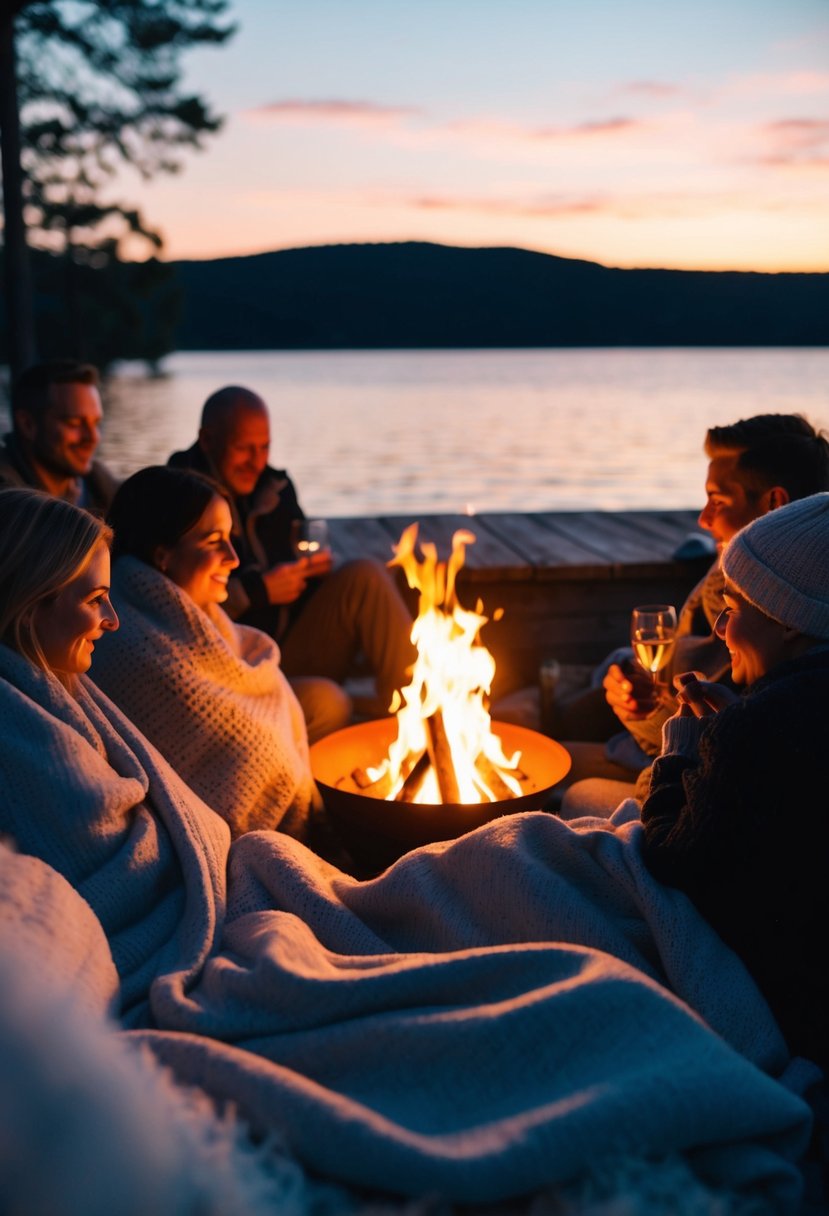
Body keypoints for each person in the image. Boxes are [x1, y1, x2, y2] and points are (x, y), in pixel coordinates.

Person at [0, 486, 809, 1209]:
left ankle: (542, 891)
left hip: (247, 884)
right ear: (31, 606)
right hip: (212, 926)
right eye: (95, 601)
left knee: (516, 853)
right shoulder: (23, 727)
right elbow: (114, 885)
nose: (112, 620)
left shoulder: (57, 687)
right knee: (548, 925)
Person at [640, 492, 829, 1073]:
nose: (720, 626)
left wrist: (683, 752)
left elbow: (670, 861)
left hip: (793, 1006)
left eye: (734, 606)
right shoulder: (781, 711)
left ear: (791, 622)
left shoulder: (759, 728)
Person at [555, 413, 829, 809]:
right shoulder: (750, 571)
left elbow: (712, 753)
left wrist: (642, 711)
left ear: (774, 503)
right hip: (654, 728)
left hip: (663, 767)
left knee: (547, 769)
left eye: (718, 501)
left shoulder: (759, 601)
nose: (702, 519)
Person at [91, 466, 328, 844]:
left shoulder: (204, 619)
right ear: (163, 554)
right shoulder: (129, 645)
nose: (233, 558)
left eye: (231, 538)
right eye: (214, 540)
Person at [167, 385, 416, 718]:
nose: (257, 462)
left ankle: (420, 712)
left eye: (264, 447)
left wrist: (313, 574)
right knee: (330, 702)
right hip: (231, 670)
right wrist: (259, 592)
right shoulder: (175, 498)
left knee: (365, 576)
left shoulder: (276, 489)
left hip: (289, 647)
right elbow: (173, 610)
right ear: (208, 440)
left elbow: (297, 560)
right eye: (244, 448)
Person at [0, 359, 118, 512]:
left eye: (96, 423)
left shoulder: (96, 480)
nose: (93, 437)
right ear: (28, 424)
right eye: (74, 423)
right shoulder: (8, 503)